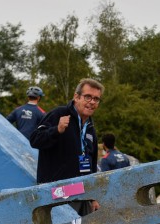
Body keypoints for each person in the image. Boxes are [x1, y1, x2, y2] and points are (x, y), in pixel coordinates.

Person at [29, 78, 104, 216]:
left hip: (83, 195)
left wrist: (93, 197)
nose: (92, 102)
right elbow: (35, 140)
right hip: (57, 195)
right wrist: (56, 130)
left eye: (96, 99)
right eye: (88, 97)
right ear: (76, 97)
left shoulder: (90, 128)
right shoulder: (59, 114)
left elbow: (92, 164)